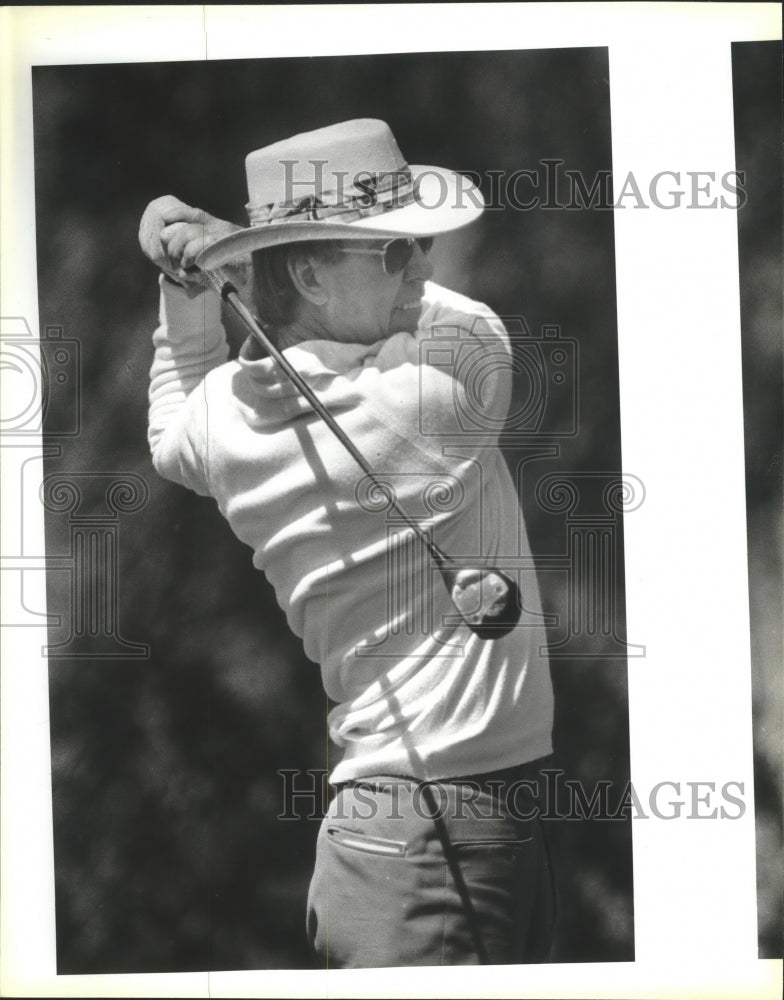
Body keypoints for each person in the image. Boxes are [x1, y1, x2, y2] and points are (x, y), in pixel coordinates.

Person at [139, 118, 556, 968]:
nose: (424, 264)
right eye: (396, 249)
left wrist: (194, 283)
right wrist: (235, 255)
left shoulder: (223, 423)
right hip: (440, 835)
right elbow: (475, 325)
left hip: (407, 832)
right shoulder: (433, 397)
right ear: (310, 272)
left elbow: (169, 424)